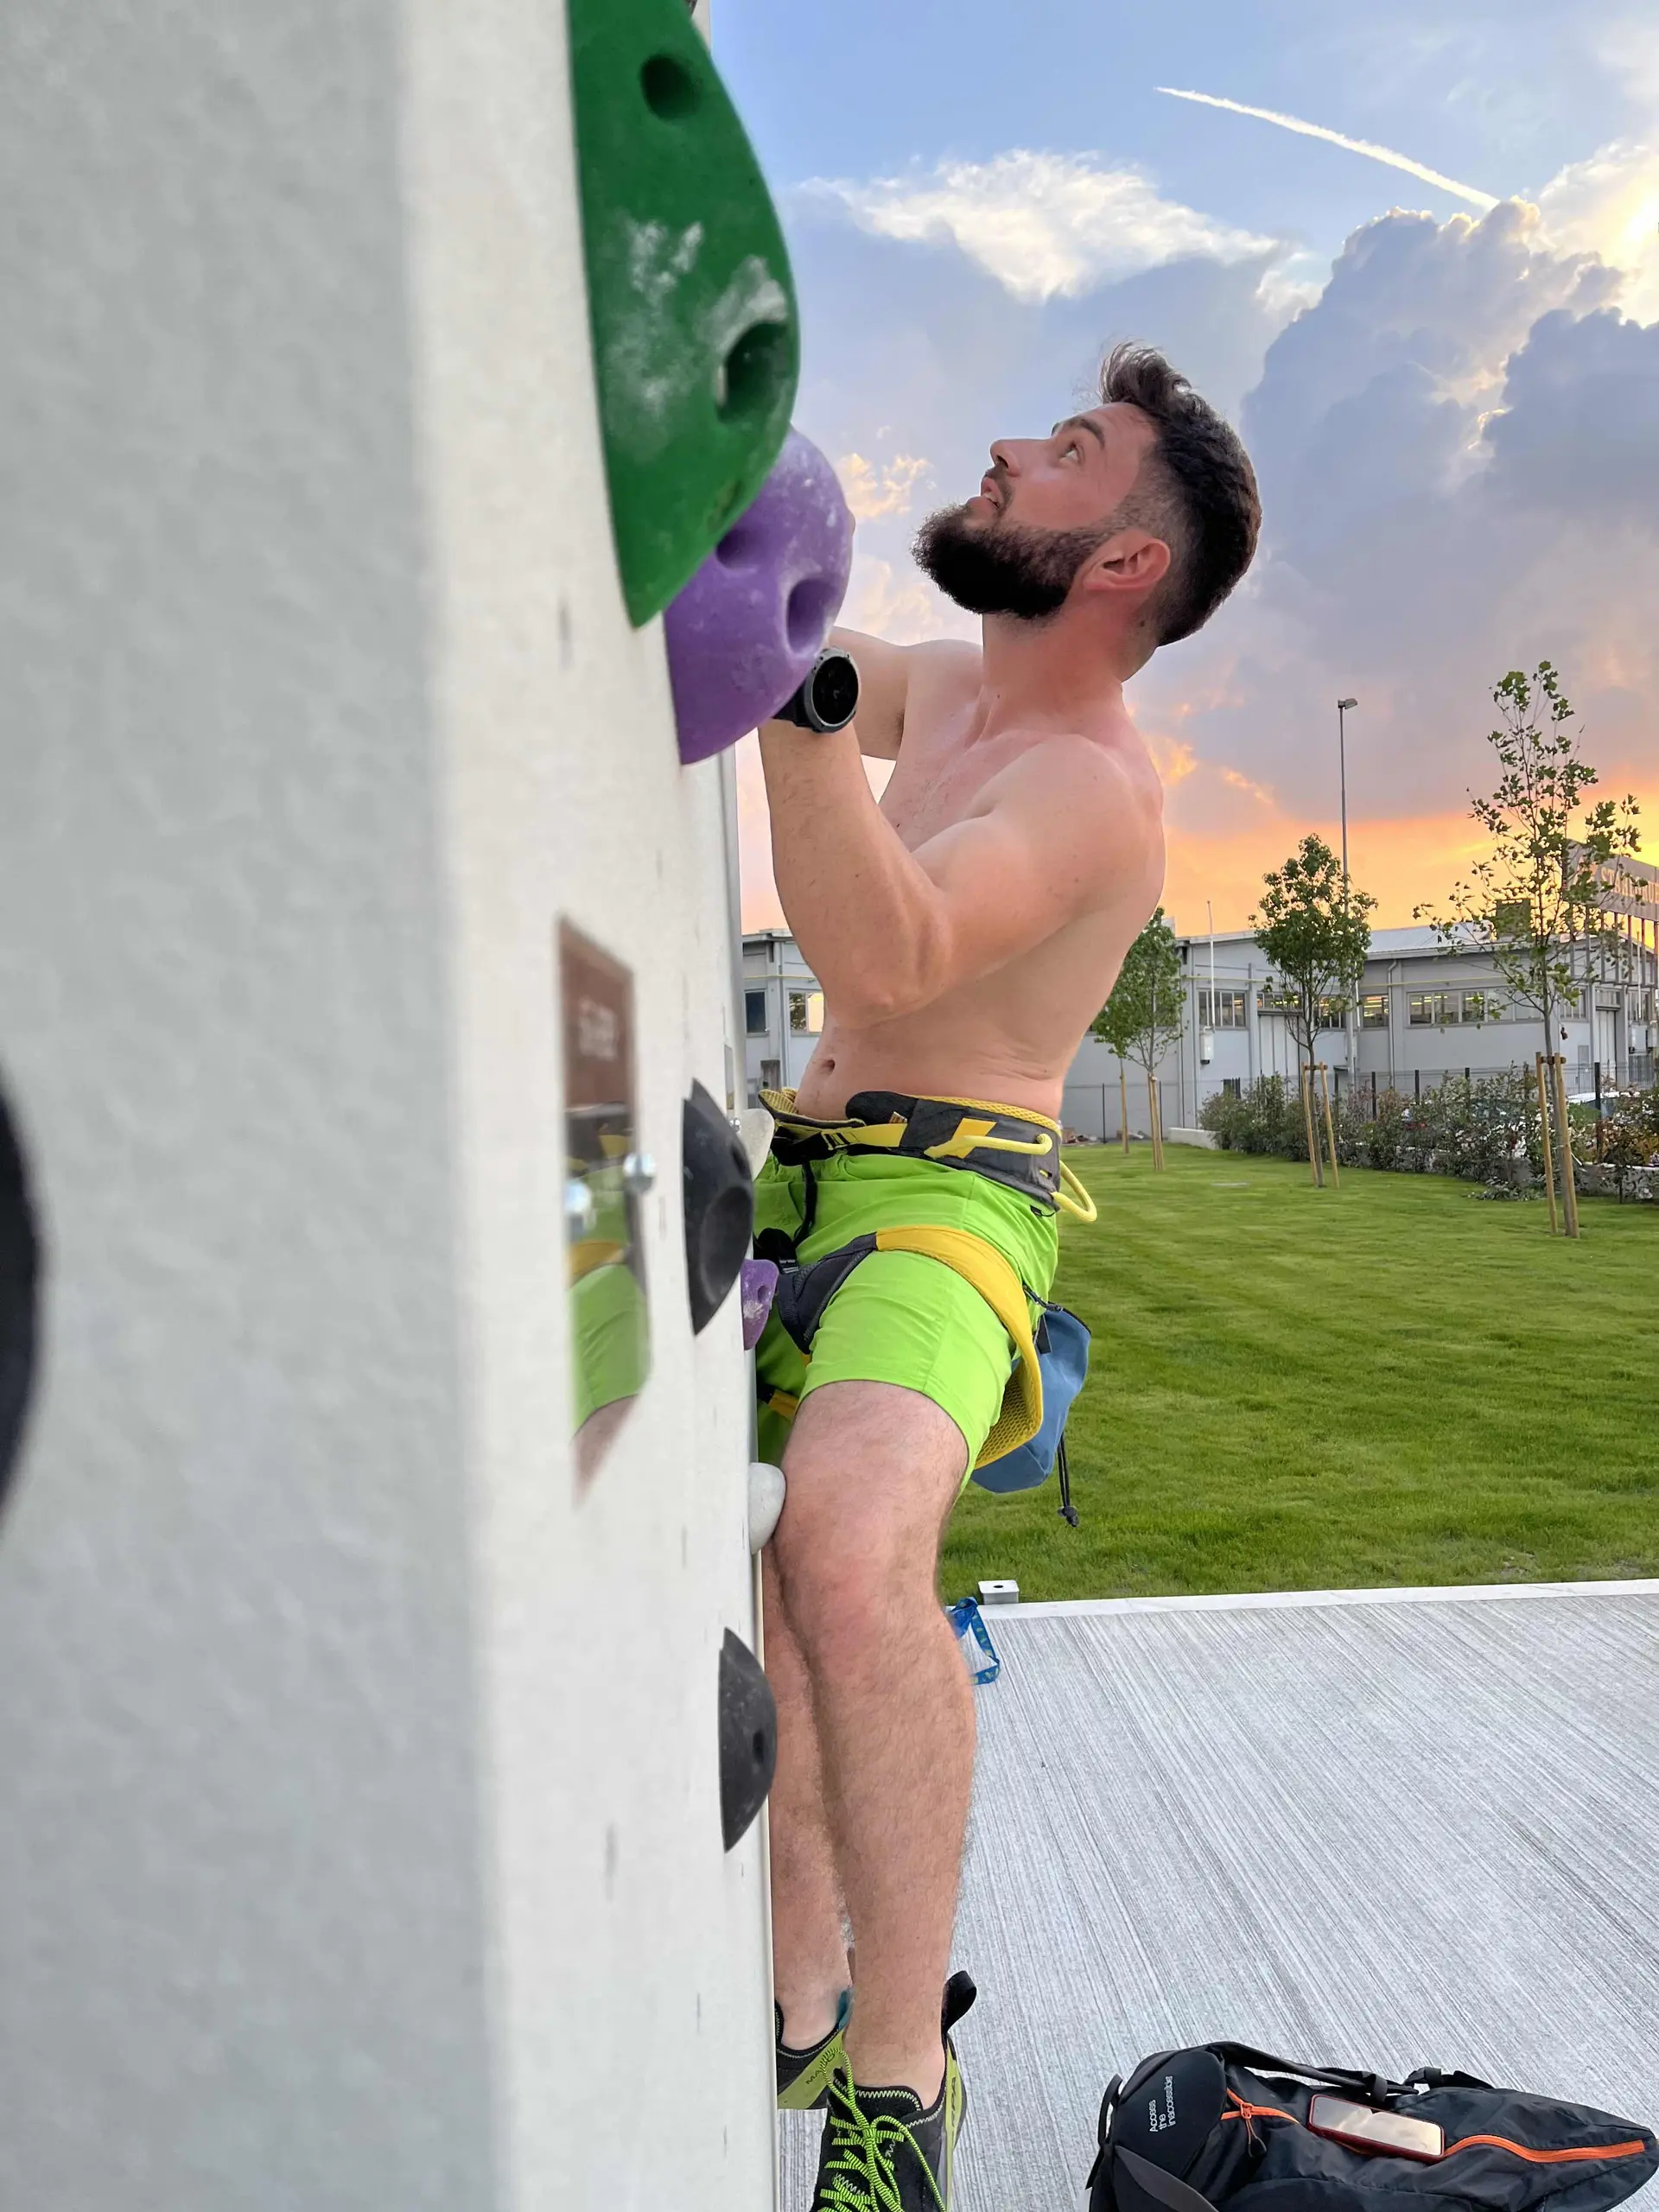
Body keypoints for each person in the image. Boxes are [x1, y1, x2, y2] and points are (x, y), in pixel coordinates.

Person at [754, 342, 1261, 2210]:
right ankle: (801, 1989)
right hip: (802, 1176)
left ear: (1125, 560)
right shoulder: (957, 686)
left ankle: (901, 2078)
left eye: (1066, 450)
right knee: (760, 1565)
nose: (1004, 449)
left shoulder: (1092, 793)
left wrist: (786, 699)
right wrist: (738, 592)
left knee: (847, 1546)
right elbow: (828, 664)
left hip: (955, 1199)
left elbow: (892, 955)